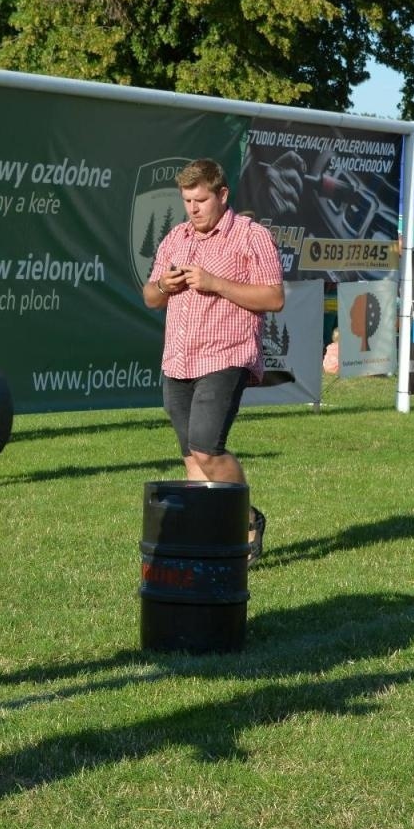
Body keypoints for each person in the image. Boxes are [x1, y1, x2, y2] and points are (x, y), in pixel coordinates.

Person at [144, 158, 284, 565]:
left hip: (226, 355)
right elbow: (150, 297)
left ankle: (246, 522)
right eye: (187, 200)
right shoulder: (176, 237)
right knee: (191, 457)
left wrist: (214, 282)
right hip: (178, 359)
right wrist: (163, 286)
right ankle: (206, 538)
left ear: (222, 195)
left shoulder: (251, 237)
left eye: (201, 199)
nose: (193, 208)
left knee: (206, 447)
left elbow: (273, 298)